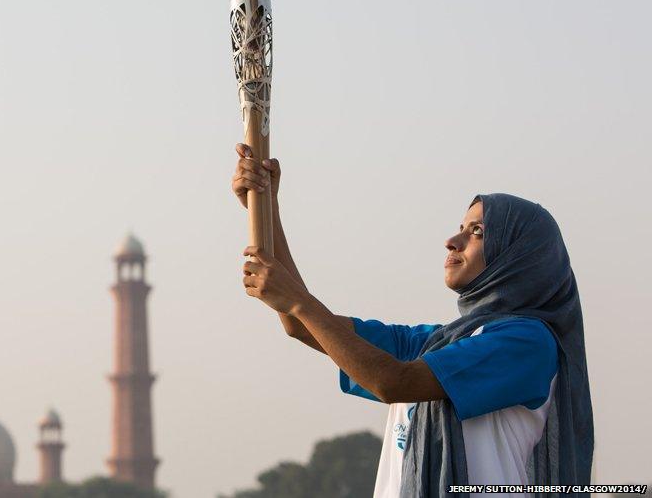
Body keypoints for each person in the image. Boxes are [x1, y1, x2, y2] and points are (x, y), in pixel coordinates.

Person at [231, 144, 593, 497]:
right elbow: (303, 326)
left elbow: (393, 382)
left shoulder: (527, 343)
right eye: (462, 227)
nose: (453, 241)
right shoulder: (435, 344)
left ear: (518, 256)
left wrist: (298, 302)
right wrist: (264, 209)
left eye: (477, 232)